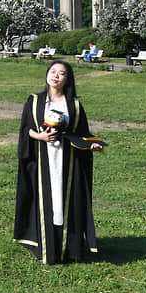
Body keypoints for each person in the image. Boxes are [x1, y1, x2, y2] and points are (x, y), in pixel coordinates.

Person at [14, 60, 104, 264]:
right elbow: (25, 128)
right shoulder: (35, 101)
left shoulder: (74, 105)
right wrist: (40, 137)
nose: (56, 76)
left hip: (67, 162)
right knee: (46, 200)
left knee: (64, 201)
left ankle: (68, 248)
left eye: (61, 73)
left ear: (68, 79)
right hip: (41, 161)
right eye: (52, 71)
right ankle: (46, 247)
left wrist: (92, 145)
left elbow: (82, 134)